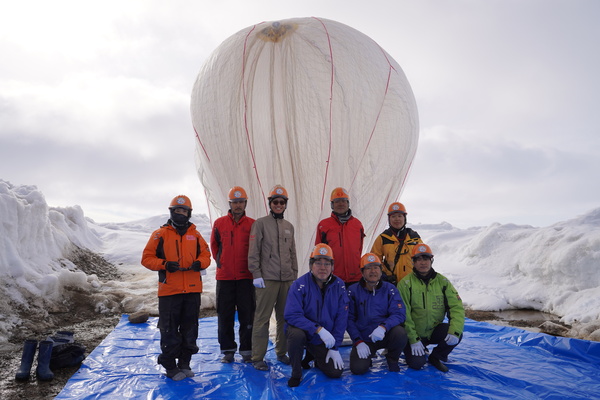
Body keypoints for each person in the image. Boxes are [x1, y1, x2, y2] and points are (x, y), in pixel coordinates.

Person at [141, 195, 211, 380]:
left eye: (184, 211)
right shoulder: (160, 234)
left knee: (190, 328)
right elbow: (147, 258)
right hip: (169, 291)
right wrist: (164, 264)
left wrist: (200, 263)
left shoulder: (195, 235)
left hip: (192, 290)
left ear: (189, 213)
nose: (181, 214)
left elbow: (206, 255)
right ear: (171, 212)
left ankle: (185, 363)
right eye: (177, 211)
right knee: (169, 329)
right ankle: (170, 366)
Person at [284, 243, 349, 387]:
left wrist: (335, 346)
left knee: (335, 372)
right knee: (296, 334)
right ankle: (296, 372)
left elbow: (342, 317)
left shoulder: (340, 285)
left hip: (323, 339)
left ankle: (313, 355)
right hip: (306, 332)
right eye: (318, 263)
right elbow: (291, 315)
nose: (322, 267)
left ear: (332, 266)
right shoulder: (299, 285)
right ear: (311, 265)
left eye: (327, 263)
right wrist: (318, 329)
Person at [248, 184, 298, 371]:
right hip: (267, 279)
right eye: (275, 202)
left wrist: (294, 275)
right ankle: (257, 357)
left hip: (286, 280)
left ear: (285, 204)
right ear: (270, 203)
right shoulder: (260, 224)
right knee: (262, 318)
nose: (278, 205)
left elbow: (292, 253)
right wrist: (256, 274)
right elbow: (253, 252)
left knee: (285, 317)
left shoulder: (289, 227)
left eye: (281, 202)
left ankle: (281, 351)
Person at [398, 244, 464, 372]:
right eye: (419, 259)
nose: (423, 263)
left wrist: (455, 331)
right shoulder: (405, 284)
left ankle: (437, 356)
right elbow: (403, 314)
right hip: (414, 333)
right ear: (413, 262)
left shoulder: (443, 282)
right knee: (417, 364)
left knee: (457, 333)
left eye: (426, 259)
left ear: (431, 261)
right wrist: (413, 339)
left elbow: (456, 307)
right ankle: (412, 348)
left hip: (433, 330)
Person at [211, 186, 255, 363]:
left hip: (246, 277)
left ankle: (247, 350)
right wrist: (222, 263)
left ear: (245, 203)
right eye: (234, 202)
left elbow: (256, 248)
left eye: (241, 202)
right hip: (225, 278)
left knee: (247, 315)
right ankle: (228, 350)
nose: (238, 205)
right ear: (229, 203)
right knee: (225, 315)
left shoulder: (252, 224)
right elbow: (215, 247)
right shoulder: (219, 223)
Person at [347, 253, 408, 374]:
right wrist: (358, 341)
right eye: (368, 268)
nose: (373, 271)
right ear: (362, 272)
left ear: (381, 270)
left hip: (384, 335)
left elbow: (399, 313)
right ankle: (368, 354)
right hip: (364, 339)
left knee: (400, 333)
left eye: (376, 267)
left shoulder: (390, 289)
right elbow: (348, 318)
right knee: (358, 369)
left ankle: (392, 358)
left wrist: (383, 327)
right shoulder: (352, 291)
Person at [315, 187, 365, 286]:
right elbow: (318, 253)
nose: (341, 204)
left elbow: (359, 250)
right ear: (332, 205)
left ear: (348, 203)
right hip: (332, 277)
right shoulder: (323, 225)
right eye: (337, 201)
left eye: (343, 201)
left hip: (355, 277)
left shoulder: (357, 224)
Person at [371, 202, 422, 285]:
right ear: (389, 219)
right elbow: (375, 259)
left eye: (399, 216)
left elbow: (423, 258)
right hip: (391, 283)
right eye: (393, 216)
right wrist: (384, 274)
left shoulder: (415, 238)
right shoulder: (383, 238)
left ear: (404, 218)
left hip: (412, 283)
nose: (397, 219)